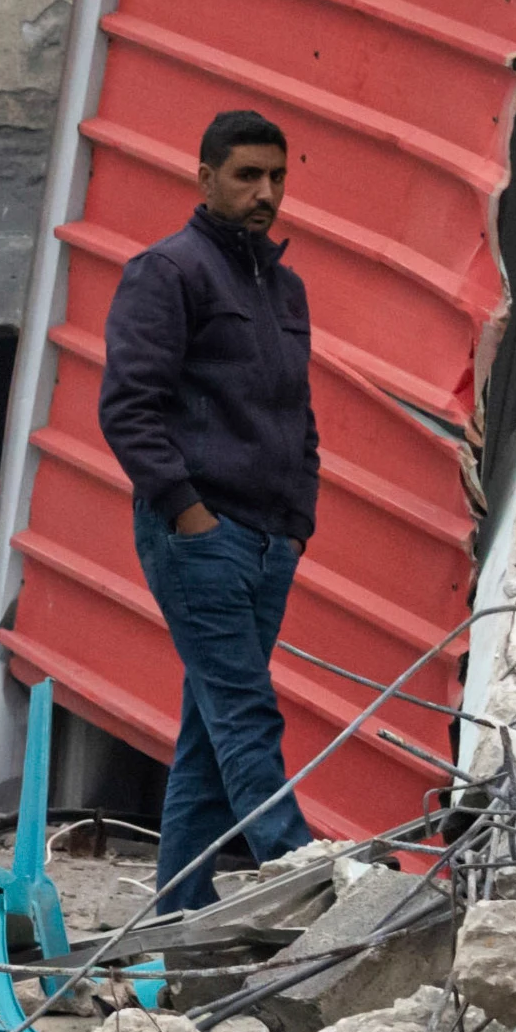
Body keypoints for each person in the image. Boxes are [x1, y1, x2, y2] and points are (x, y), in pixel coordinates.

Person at [96, 107, 319, 913]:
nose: (265, 193)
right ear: (205, 177)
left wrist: (298, 522)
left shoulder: (284, 286)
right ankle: (302, 871)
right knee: (246, 713)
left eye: (278, 177)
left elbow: (298, 413)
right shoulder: (168, 272)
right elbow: (128, 408)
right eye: (247, 175)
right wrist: (189, 514)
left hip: (267, 543)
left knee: (209, 731)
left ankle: (178, 912)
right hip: (200, 538)